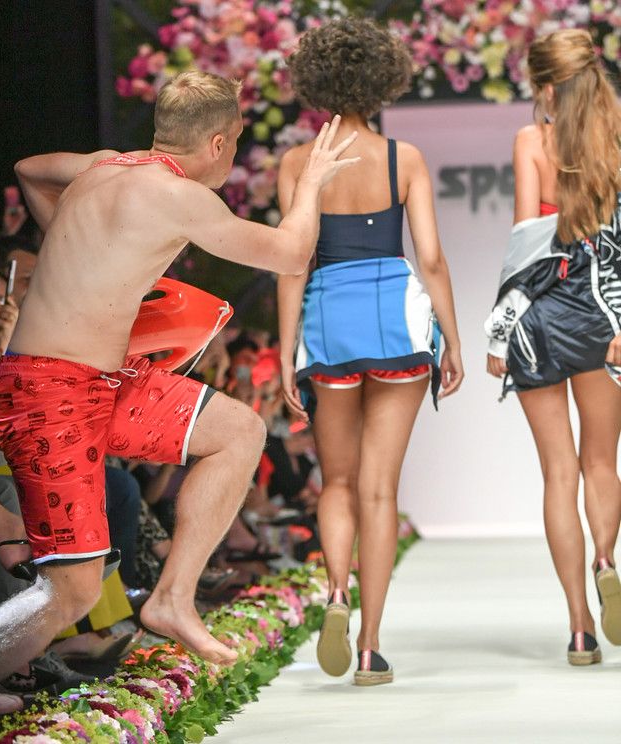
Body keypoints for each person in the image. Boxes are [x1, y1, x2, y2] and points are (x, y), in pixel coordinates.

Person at [0, 69, 355, 738]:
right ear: (217, 143)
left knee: (238, 430)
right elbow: (291, 252)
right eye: (236, 140)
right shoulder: (181, 198)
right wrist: (309, 186)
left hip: (104, 382)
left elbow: (29, 169)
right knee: (71, 591)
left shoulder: (104, 166)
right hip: (46, 391)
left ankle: (172, 598)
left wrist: (81, 249)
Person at [278, 18, 463, 687]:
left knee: (339, 482)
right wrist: (454, 338)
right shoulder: (402, 158)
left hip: (329, 322)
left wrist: (284, 353)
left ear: (316, 82)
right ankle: (370, 648)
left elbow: (291, 264)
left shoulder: (298, 164)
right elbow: (431, 258)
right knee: (380, 489)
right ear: (381, 79)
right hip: (395, 324)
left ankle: (336, 593)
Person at [485, 28, 621, 665]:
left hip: (539, 321)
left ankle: (579, 628)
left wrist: (499, 331)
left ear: (543, 89)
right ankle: (605, 559)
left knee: (558, 473)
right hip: (602, 318)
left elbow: (526, 246)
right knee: (602, 464)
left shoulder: (531, 142)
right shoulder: (615, 141)